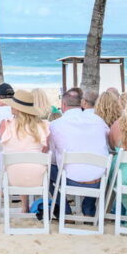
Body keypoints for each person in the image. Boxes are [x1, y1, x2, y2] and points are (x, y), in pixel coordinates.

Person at [46, 87, 109, 219]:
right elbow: (108, 143)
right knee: (95, 168)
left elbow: (50, 156)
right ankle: (88, 209)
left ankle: (65, 211)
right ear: (81, 103)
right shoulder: (98, 121)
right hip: (97, 181)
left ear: (63, 105)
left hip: (70, 180)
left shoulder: (55, 125)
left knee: (46, 169)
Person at [0, 89, 50, 213]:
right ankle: (26, 206)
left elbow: (6, 145)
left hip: (12, 178)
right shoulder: (44, 125)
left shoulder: (5, 124)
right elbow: (45, 149)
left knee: (17, 161)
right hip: (39, 178)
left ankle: (23, 206)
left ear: (17, 108)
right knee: (30, 162)